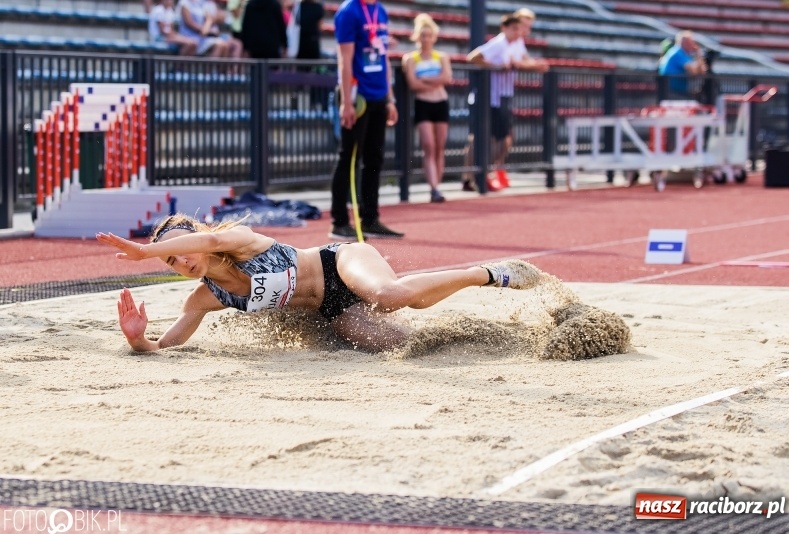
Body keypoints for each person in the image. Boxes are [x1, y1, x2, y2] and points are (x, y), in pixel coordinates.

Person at [95, 214, 543, 353]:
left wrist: (143, 251)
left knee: (391, 296)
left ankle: (487, 273)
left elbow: (210, 238)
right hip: (332, 310)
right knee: (400, 345)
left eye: (183, 248)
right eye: (171, 260)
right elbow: (168, 344)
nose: (182, 260)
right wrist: (139, 342)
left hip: (339, 262)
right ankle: (501, 336)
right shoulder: (209, 296)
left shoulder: (240, 242)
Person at [329, 0, 404, 240]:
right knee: (349, 157)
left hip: (379, 95)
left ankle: (370, 218)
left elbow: (383, 56)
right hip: (357, 95)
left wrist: (390, 98)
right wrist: (347, 102)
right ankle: (339, 222)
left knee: (375, 157)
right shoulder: (349, 12)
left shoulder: (380, 10)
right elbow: (345, 59)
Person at [466, 13, 549, 177]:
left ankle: (483, 173)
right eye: (515, 29)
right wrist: (496, 67)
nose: (519, 32)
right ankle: (473, 175)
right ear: (505, 28)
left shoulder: (516, 43)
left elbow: (524, 61)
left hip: (503, 95)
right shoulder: (498, 44)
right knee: (483, 137)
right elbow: (473, 58)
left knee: (503, 138)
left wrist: (534, 65)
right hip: (489, 96)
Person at [402, 14, 452, 203]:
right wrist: (434, 81)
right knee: (429, 145)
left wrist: (426, 80)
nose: (426, 39)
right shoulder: (411, 58)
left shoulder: (442, 56)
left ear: (434, 37)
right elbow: (413, 84)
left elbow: (446, 78)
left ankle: (437, 186)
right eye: (422, 35)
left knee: (440, 146)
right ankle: (433, 187)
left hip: (440, 103)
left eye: (429, 35)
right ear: (417, 37)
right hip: (423, 103)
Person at [658, 30, 708, 100]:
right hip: (673, 92)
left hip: (677, 91)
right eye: (690, 42)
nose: (693, 45)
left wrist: (698, 55)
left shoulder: (684, 54)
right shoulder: (677, 53)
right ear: (684, 43)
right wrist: (698, 55)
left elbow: (701, 72)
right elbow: (694, 72)